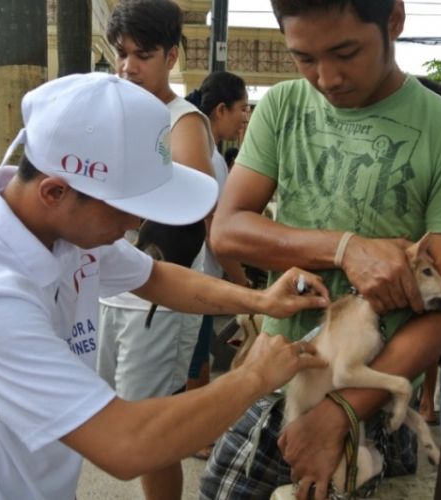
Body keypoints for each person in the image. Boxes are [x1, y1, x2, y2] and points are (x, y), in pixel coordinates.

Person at [0, 72, 331, 500]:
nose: (136, 223)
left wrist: (261, 300)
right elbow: (126, 444)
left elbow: (155, 276)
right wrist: (256, 376)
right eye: (125, 210)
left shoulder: (62, 233)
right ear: (55, 192)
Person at [199, 1, 441, 499]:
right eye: (304, 58)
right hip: (279, 375)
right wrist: (346, 248)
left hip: (372, 401)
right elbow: (228, 232)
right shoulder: (284, 107)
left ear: (394, 21)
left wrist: (341, 412)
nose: (326, 78)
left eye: (345, 52)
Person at [96, 2, 217, 498]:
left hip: (157, 300)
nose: (128, 66)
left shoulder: (181, 120)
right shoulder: (112, 110)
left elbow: (188, 212)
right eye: (122, 54)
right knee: (112, 415)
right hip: (108, 291)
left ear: (171, 56)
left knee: (151, 434)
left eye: (142, 55)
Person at [184, 71, 251, 459]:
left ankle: (203, 429)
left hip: (196, 271)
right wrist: (243, 283)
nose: (245, 118)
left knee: (199, 355)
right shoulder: (209, 156)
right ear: (221, 109)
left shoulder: (200, 146)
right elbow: (217, 231)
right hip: (198, 273)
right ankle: (196, 436)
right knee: (194, 360)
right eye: (242, 109)